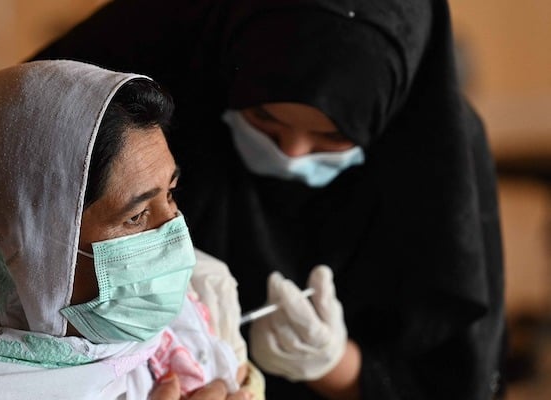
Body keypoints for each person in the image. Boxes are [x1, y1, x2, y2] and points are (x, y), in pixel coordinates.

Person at [29, 0, 507, 399]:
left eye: (332, 137)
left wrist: (334, 364)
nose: (292, 153)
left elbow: (452, 380)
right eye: (264, 119)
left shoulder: (434, 160)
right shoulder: (144, 78)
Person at [0, 60, 261, 400]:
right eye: (136, 216)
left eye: (170, 194)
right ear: (25, 247)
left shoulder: (185, 320)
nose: (174, 235)